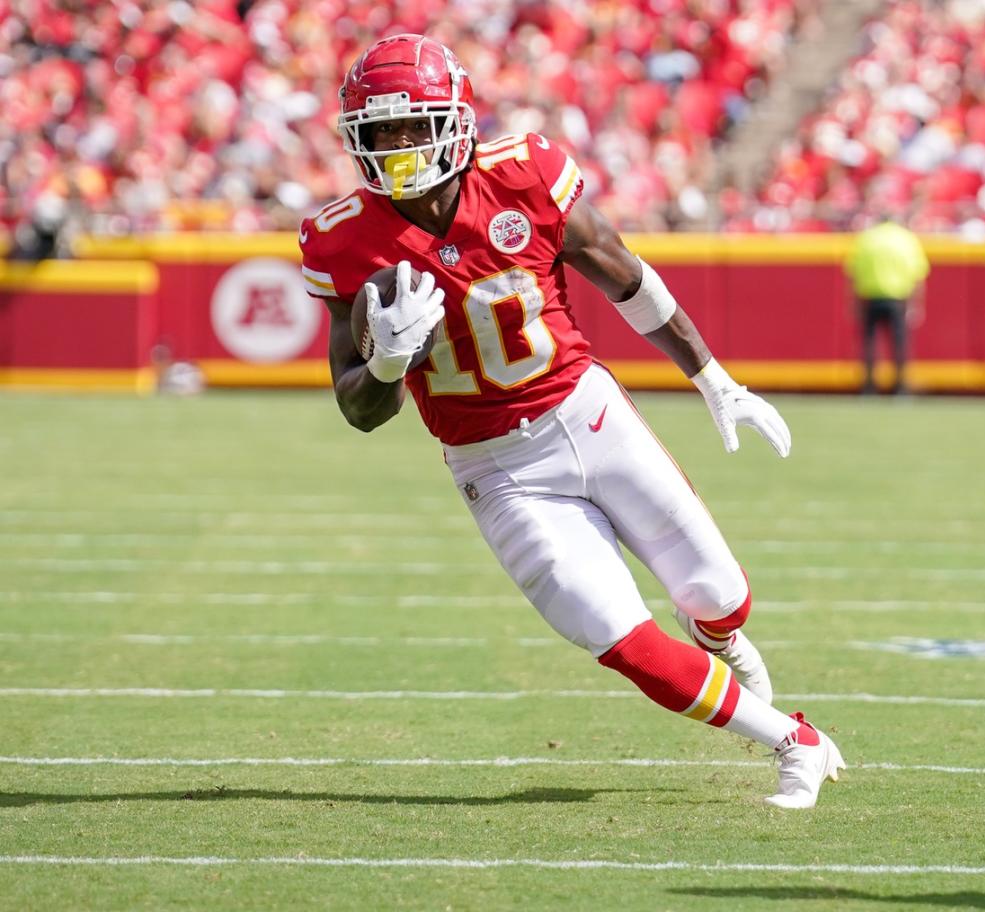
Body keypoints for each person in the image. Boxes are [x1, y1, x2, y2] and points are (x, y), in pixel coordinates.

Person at [299, 34, 843, 809]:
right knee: (616, 634)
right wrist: (385, 363)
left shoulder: (523, 174)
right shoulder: (346, 241)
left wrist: (713, 378)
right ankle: (797, 741)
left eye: (413, 125)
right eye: (380, 131)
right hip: (496, 469)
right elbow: (357, 409)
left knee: (718, 594)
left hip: (587, 414)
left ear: (456, 121)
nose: (398, 146)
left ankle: (720, 639)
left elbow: (623, 271)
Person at [844, 218, 930, 395]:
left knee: (869, 344)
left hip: (870, 297)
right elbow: (917, 275)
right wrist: (916, 304)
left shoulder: (867, 239)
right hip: (897, 298)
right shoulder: (906, 239)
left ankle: (868, 386)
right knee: (899, 345)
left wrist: (853, 302)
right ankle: (901, 387)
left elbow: (854, 272)